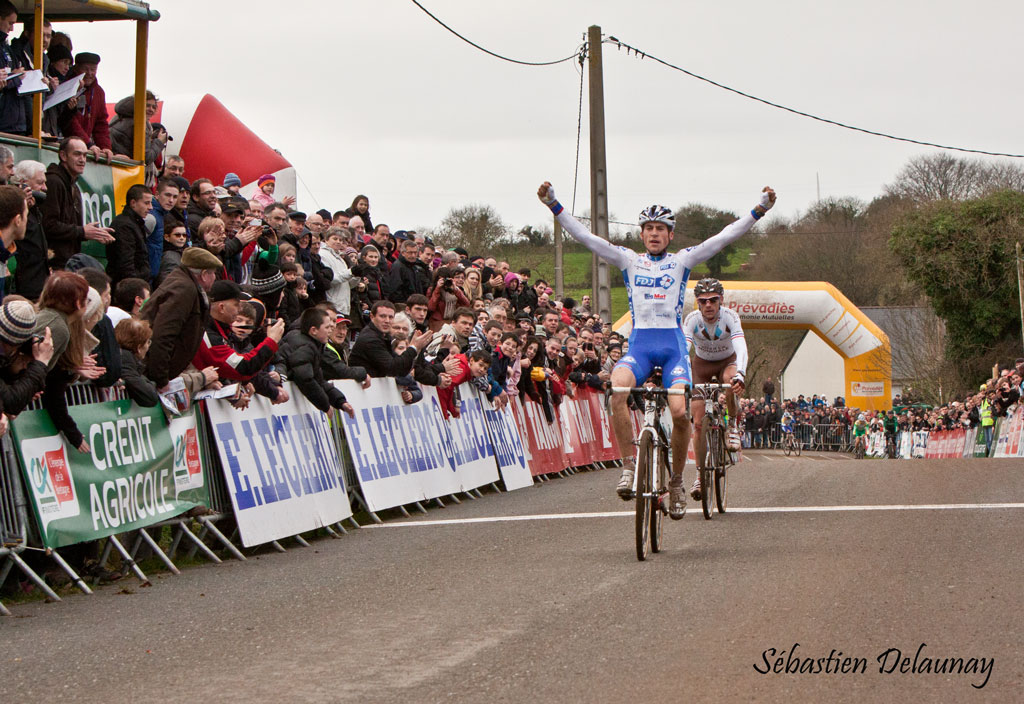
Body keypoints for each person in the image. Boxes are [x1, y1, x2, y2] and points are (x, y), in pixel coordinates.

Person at [537, 179, 775, 519]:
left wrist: (759, 210)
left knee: (679, 413)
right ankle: (628, 466)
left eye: (660, 229)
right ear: (641, 233)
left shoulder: (681, 261)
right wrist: (554, 205)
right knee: (617, 390)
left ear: (670, 235)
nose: (653, 234)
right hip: (640, 348)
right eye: (648, 228)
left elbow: (723, 238)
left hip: (674, 349)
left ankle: (677, 481)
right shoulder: (629, 260)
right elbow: (587, 238)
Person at [681, 278, 748, 500]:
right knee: (698, 422)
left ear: (721, 300)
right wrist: (679, 373)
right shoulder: (691, 319)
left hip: (727, 361)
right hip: (701, 364)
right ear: (698, 303)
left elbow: (740, 345)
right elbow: (684, 347)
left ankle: (732, 425)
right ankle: (700, 476)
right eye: (703, 301)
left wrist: (741, 373)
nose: (708, 305)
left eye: (713, 300)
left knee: (731, 380)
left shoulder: (730, 317)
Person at [140, 246, 222, 394]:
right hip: (151, 372)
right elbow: (163, 334)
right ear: (204, 274)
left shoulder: (181, 282)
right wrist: (161, 378)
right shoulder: (184, 289)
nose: (215, 278)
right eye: (214, 273)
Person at [39, 137, 115, 269]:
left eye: (85, 155)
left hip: (67, 261)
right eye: (77, 154)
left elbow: (69, 226)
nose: (82, 160)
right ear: (63, 155)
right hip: (54, 263)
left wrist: (91, 232)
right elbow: (49, 225)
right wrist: (82, 231)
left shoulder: (72, 185)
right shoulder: (53, 182)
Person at [274, 308, 353, 415]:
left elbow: (318, 379)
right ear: (314, 330)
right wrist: (325, 406)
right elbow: (306, 380)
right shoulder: (304, 346)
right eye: (327, 327)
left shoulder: (314, 345)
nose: (330, 330)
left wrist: (340, 401)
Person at [349, 300, 433, 379]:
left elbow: (401, 369)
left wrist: (415, 349)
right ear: (372, 316)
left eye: (390, 317)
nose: (387, 321)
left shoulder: (383, 336)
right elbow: (392, 368)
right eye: (382, 316)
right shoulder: (370, 339)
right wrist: (413, 347)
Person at [66, 52, 114, 160]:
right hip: (69, 146)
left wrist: (105, 147)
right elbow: (70, 121)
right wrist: (88, 144)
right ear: (76, 68)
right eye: (85, 69)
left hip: (85, 147)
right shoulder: (68, 87)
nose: (89, 73)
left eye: (93, 69)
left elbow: (101, 123)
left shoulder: (99, 92)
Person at [106, 184, 153, 285]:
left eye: (151, 203)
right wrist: (136, 286)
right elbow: (126, 265)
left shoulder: (134, 223)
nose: (150, 207)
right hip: (129, 287)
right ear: (133, 203)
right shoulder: (124, 226)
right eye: (146, 203)